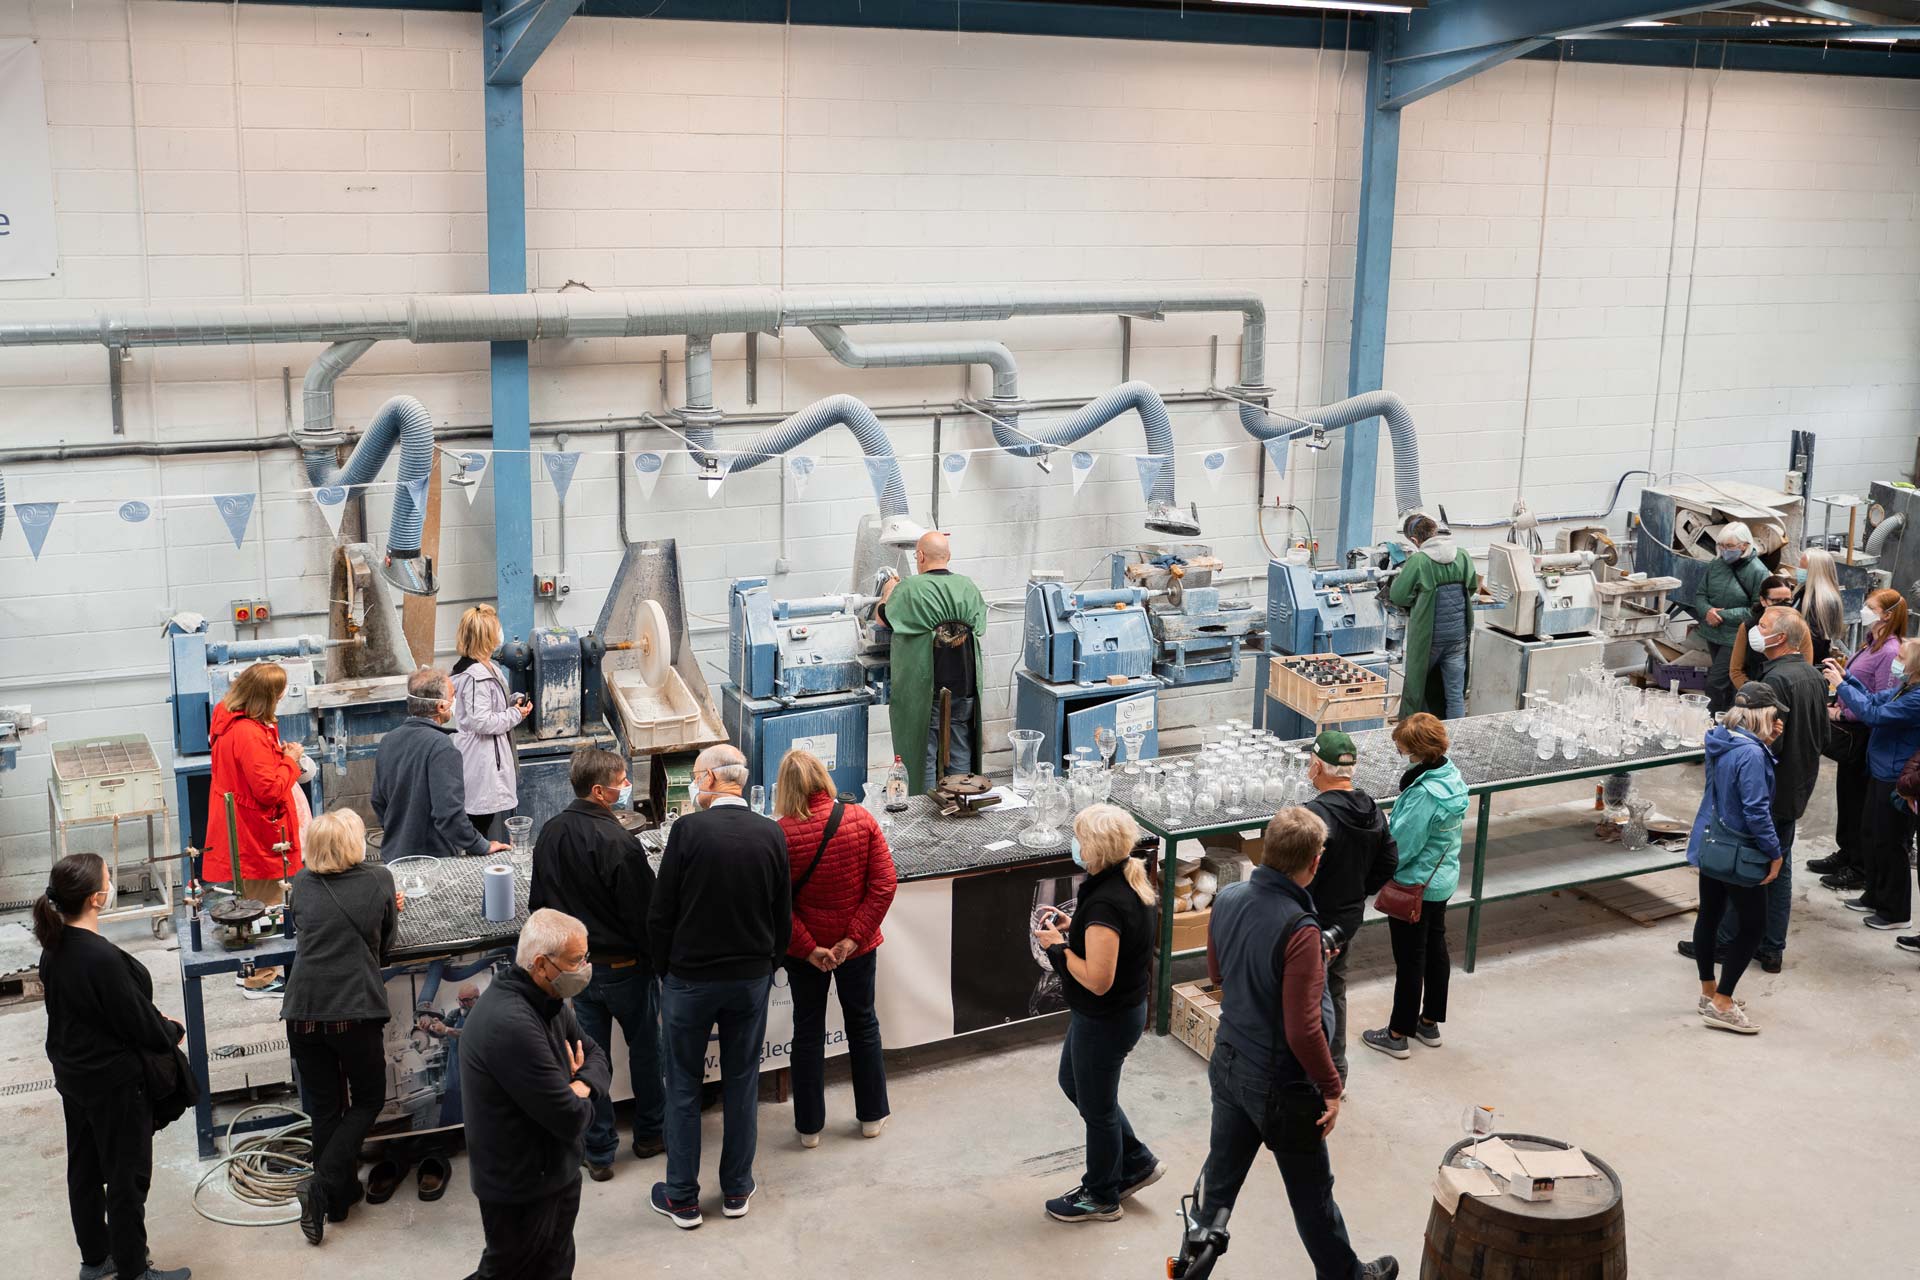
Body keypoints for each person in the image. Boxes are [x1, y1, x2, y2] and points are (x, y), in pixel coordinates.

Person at [1200, 806, 1398, 1280]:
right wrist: (1331, 1087)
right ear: (1314, 862)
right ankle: (1345, 1277)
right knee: (1312, 1195)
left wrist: (1302, 967)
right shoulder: (1299, 928)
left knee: (1217, 1188)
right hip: (1279, 1084)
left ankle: (1190, 1266)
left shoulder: (1227, 897)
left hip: (1228, 1060)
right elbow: (1304, 1029)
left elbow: (1217, 974)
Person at [646, 744, 792, 1229]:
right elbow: (781, 916)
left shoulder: (688, 831)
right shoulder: (771, 834)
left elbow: (661, 912)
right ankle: (735, 1189)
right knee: (741, 1082)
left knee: (684, 1085)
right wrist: (766, 963)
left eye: (696, 775)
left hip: (689, 980)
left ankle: (682, 1197)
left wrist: (665, 970)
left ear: (708, 779)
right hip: (748, 979)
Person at [37, 852, 192, 1280]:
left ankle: (95, 1258)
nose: (110, 882)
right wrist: (172, 1030)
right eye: (108, 878)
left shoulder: (55, 948)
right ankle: (132, 1270)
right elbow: (137, 1022)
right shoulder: (100, 959)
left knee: (84, 1168)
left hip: (74, 1077)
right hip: (115, 1083)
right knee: (126, 1178)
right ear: (97, 899)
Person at [529, 746, 664, 1177]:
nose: (628, 788)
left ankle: (599, 1151)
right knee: (646, 1052)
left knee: (591, 1060)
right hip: (626, 970)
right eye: (623, 782)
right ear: (600, 792)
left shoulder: (550, 833)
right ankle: (650, 1135)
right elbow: (645, 917)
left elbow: (540, 910)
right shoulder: (620, 843)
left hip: (576, 976)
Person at [459, 908, 610, 1280]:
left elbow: (598, 1056)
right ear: (542, 965)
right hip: (522, 1190)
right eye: (577, 961)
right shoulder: (511, 1022)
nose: (585, 968)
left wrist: (581, 1084)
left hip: (555, 1173)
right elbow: (570, 1117)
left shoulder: (549, 1003)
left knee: (555, 1268)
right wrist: (579, 1090)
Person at [1031, 805, 1164, 1224]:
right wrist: (1077, 925)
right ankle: (1137, 1160)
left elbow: (1098, 979)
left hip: (1106, 1017)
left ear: (1094, 849)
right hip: (1110, 1013)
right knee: (1074, 1083)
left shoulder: (1108, 902)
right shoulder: (1124, 878)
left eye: (1079, 837)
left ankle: (1102, 1194)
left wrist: (1056, 947)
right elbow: (1110, 941)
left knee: (1098, 1109)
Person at [282, 808, 400, 1246]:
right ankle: (320, 1181)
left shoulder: (300, 882)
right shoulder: (379, 880)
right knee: (368, 1099)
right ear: (354, 845)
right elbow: (386, 945)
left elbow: (304, 927)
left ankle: (338, 1198)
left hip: (303, 1010)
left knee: (326, 1106)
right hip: (353, 1010)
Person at [772, 748, 896, 1148]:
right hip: (855, 950)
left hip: (807, 955)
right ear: (823, 779)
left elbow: (777, 905)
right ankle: (872, 1116)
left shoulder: (781, 835)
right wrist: (852, 939)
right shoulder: (861, 819)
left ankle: (809, 1128)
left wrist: (809, 949)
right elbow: (883, 885)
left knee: (807, 1031)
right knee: (863, 1025)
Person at [1694, 610, 1823, 974]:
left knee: (1745, 867)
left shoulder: (1777, 681)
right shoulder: (1811, 676)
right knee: (1779, 871)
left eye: (1763, 627)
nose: (1755, 630)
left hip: (1770, 792)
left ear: (1781, 639)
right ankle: (1771, 948)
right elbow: (1821, 736)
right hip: (1797, 787)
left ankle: (1724, 942)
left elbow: (1765, 744)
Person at [1362, 713, 1466, 1061]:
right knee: (1435, 947)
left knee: (1410, 959)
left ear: (1418, 750)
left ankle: (1397, 1033)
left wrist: (1371, 875)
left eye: (1402, 748)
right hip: (1442, 878)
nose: (1399, 752)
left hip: (1415, 886)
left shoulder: (1425, 795)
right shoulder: (1450, 776)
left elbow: (1402, 848)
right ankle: (1429, 1021)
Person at [1299, 729, 1398, 1082]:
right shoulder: (1372, 809)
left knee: (1304, 997)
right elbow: (1389, 862)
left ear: (1316, 767)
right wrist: (1358, 892)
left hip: (1312, 923)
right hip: (1346, 920)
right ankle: (1336, 1071)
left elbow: (1298, 873)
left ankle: (1310, 1076)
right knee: (1335, 990)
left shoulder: (1314, 816)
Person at [1685, 691, 1785, 1034]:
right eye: (1772, 716)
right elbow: (1756, 810)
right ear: (1759, 716)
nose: (1775, 722)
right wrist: (1774, 851)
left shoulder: (1720, 740)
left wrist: (1765, 743)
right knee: (1754, 926)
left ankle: (1708, 991)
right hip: (1739, 850)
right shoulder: (1752, 755)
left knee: (1709, 915)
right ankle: (1723, 1003)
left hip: (1711, 842)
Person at [204, 661, 305, 997]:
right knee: (268, 906)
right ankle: (261, 979)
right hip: (258, 834)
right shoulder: (247, 734)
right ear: (265, 698)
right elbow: (269, 790)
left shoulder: (228, 717)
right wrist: (291, 760)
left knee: (250, 902)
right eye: (277, 696)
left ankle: (247, 970)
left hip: (244, 830)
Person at [1809, 588, 1907, 894]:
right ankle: (1847, 852)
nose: (1864, 611)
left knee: (1860, 802)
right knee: (1847, 798)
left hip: (1864, 734)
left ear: (1887, 615)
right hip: (1853, 725)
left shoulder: (1890, 651)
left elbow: (1880, 703)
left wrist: (1842, 714)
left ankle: (1860, 866)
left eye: (1870, 607)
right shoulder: (1870, 644)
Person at [876, 530, 988, 792]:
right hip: (964, 690)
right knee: (960, 751)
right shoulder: (968, 587)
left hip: (925, 694)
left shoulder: (910, 588)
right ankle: (960, 803)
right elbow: (980, 626)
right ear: (948, 556)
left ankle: (920, 813)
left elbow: (883, 617)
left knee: (922, 756)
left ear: (920, 556)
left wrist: (889, 591)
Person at [1827, 636, 1920, 933]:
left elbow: (1873, 715)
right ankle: (1875, 895)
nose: (1897, 662)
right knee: (1872, 836)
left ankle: (1895, 911)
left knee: (1891, 843)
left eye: (1902, 658)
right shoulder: (1906, 687)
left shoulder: (1917, 698)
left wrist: (1840, 686)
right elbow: (1875, 699)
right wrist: (1849, 678)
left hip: (1895, 777)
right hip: (1880, 770)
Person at [372, 668, 511, 860]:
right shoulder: (442, 748)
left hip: (393, 857)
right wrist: (481, 845)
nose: (455, 701)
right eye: (453, 696)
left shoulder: (388, 741)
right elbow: (449, 815)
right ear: (440, 707)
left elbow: (378, 801)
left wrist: (398, 835)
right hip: (432, 861)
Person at [451, 604, 530, 842]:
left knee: (484, 820)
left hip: (488, 755)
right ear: (487, 637)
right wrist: (516, 715)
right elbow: (481, 721)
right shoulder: (477, 676)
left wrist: (511, 702)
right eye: (497, 629)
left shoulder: (488, 668)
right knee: (479, 823)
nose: (501, 633)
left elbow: (487, 707)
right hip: (482, 758)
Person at [1389, 515, 1477, 721]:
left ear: (1415, 540)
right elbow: (1471, 586)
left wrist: (1415, 600)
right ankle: (1455, 738)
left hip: (1428, 641)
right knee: (1455, 695)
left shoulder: (1419, 561)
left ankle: (1413, 739)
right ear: (1435, 531)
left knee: (1416, 690)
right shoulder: (1462, 556)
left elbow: (1398, 595)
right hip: (1457, 639)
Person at [1692, 521, 1768, 714]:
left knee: (1715, 683)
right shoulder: (1716, 565)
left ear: (1744, 545)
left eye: (1729, 546)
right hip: (1713, 632)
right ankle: (1726, 718)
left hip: (1736, 636)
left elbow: (1757, 609)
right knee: (1725, 682)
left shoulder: (1758, 571)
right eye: (1722, 546)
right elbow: (1700, 594)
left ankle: (1711, 722)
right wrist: (1707, 611)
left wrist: (1721, 615)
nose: (1725, 551)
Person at [1727, 576, 1807, 688]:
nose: (1782, 605)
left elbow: (1806, 667)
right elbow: (1735, 670)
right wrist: (1752, 692)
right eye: (1776, 601)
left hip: (1786, 692)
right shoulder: (1748, 627)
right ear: (1763, 601)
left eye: (1787, 600)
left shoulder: (1799, 627)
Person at [1796, 547, 1845, 664]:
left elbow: (1815, 640)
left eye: (1803, 569)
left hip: (1809, 662)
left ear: (1815, 571)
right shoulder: (1805, 591)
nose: (1799, 571)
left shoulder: (1821, 601)